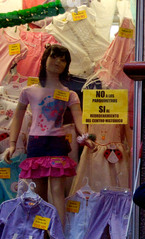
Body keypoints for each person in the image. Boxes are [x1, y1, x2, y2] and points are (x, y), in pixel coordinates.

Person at [3, 44, 92, 225]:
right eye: (54, 57)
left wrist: (85, 136)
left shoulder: (69, 94)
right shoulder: (28, 92)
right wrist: (12, 144)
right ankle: (40, 235)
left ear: (66, 65)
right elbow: (17, 120)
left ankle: (58, 237)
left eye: (63, 59)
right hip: (36, 144)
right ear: (45, 60)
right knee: (38, 193)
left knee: (58, 190)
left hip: (58, 144)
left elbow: (79, 119)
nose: (58, 62)